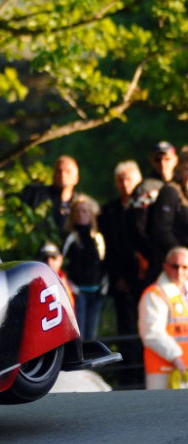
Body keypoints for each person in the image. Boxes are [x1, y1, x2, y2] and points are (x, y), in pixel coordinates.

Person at [98, 160, 147, 388]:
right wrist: (117, 277)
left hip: (144, 278)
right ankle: (129, 378)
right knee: (125, 327)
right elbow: (107, 249)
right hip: (119, 278)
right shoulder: (108, 211)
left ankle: (146, 373)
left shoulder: (148, 207)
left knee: (146, 326)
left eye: (128, 178)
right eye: (120, 180)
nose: (125, 184)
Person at [138, 246, 188, 389]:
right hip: (163, 372)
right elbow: (151, 333)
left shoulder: (183, 293)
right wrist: (175, 357)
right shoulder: (154, 294)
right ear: (165, 266)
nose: (180, 271)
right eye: (175, 266)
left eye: (185, 267)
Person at [61, 193, 106, 341]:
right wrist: (72, 286)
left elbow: (104, 261)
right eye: (77, 211)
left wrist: (104, 285)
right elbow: (63, 263)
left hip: (96, 291)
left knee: (92, 335)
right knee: (78, 334)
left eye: (85, 211)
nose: (81, 215)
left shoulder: (97, 238)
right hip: (77, 292)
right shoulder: (70, 237)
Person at [143, 146, 188, 284]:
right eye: (187, 168)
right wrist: (183, 257)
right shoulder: (170, 191)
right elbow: (162, 231)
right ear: (180, 169)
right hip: (172, 271)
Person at [19, 155, 80, 236]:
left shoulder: (81, 205)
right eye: (59, 171)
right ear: (53, 175)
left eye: (68, 171)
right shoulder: (34, 194)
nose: (62, 175)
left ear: (76, 178)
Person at [36, 242, 75, 307]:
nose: (49, 262)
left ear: (60, 259)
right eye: (45, 258)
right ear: (38, 260)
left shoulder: (64, 278)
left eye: (53, 257)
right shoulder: (34, 282)